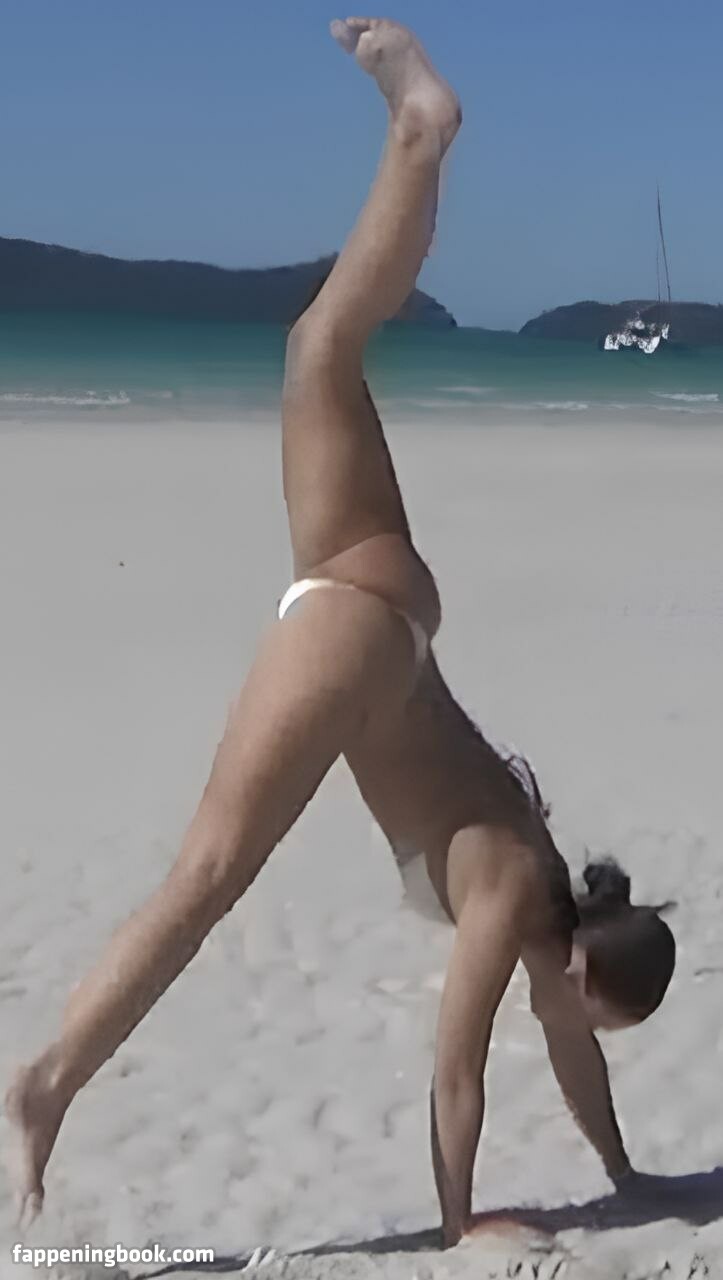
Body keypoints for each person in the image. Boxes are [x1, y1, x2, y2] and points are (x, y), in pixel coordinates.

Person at [6, 17, 675, 1247]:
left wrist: (624, 1172)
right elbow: (456, 1071)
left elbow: (568, 1054)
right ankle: (47, 1081)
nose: (577, 1036)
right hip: (361, 638)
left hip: (388, 618)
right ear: (580, 971)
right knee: (206, 875)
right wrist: (461, 1223)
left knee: (320, 347)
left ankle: (419, 135)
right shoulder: (509, 898)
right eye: (591, 1017)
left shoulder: (545, 894)